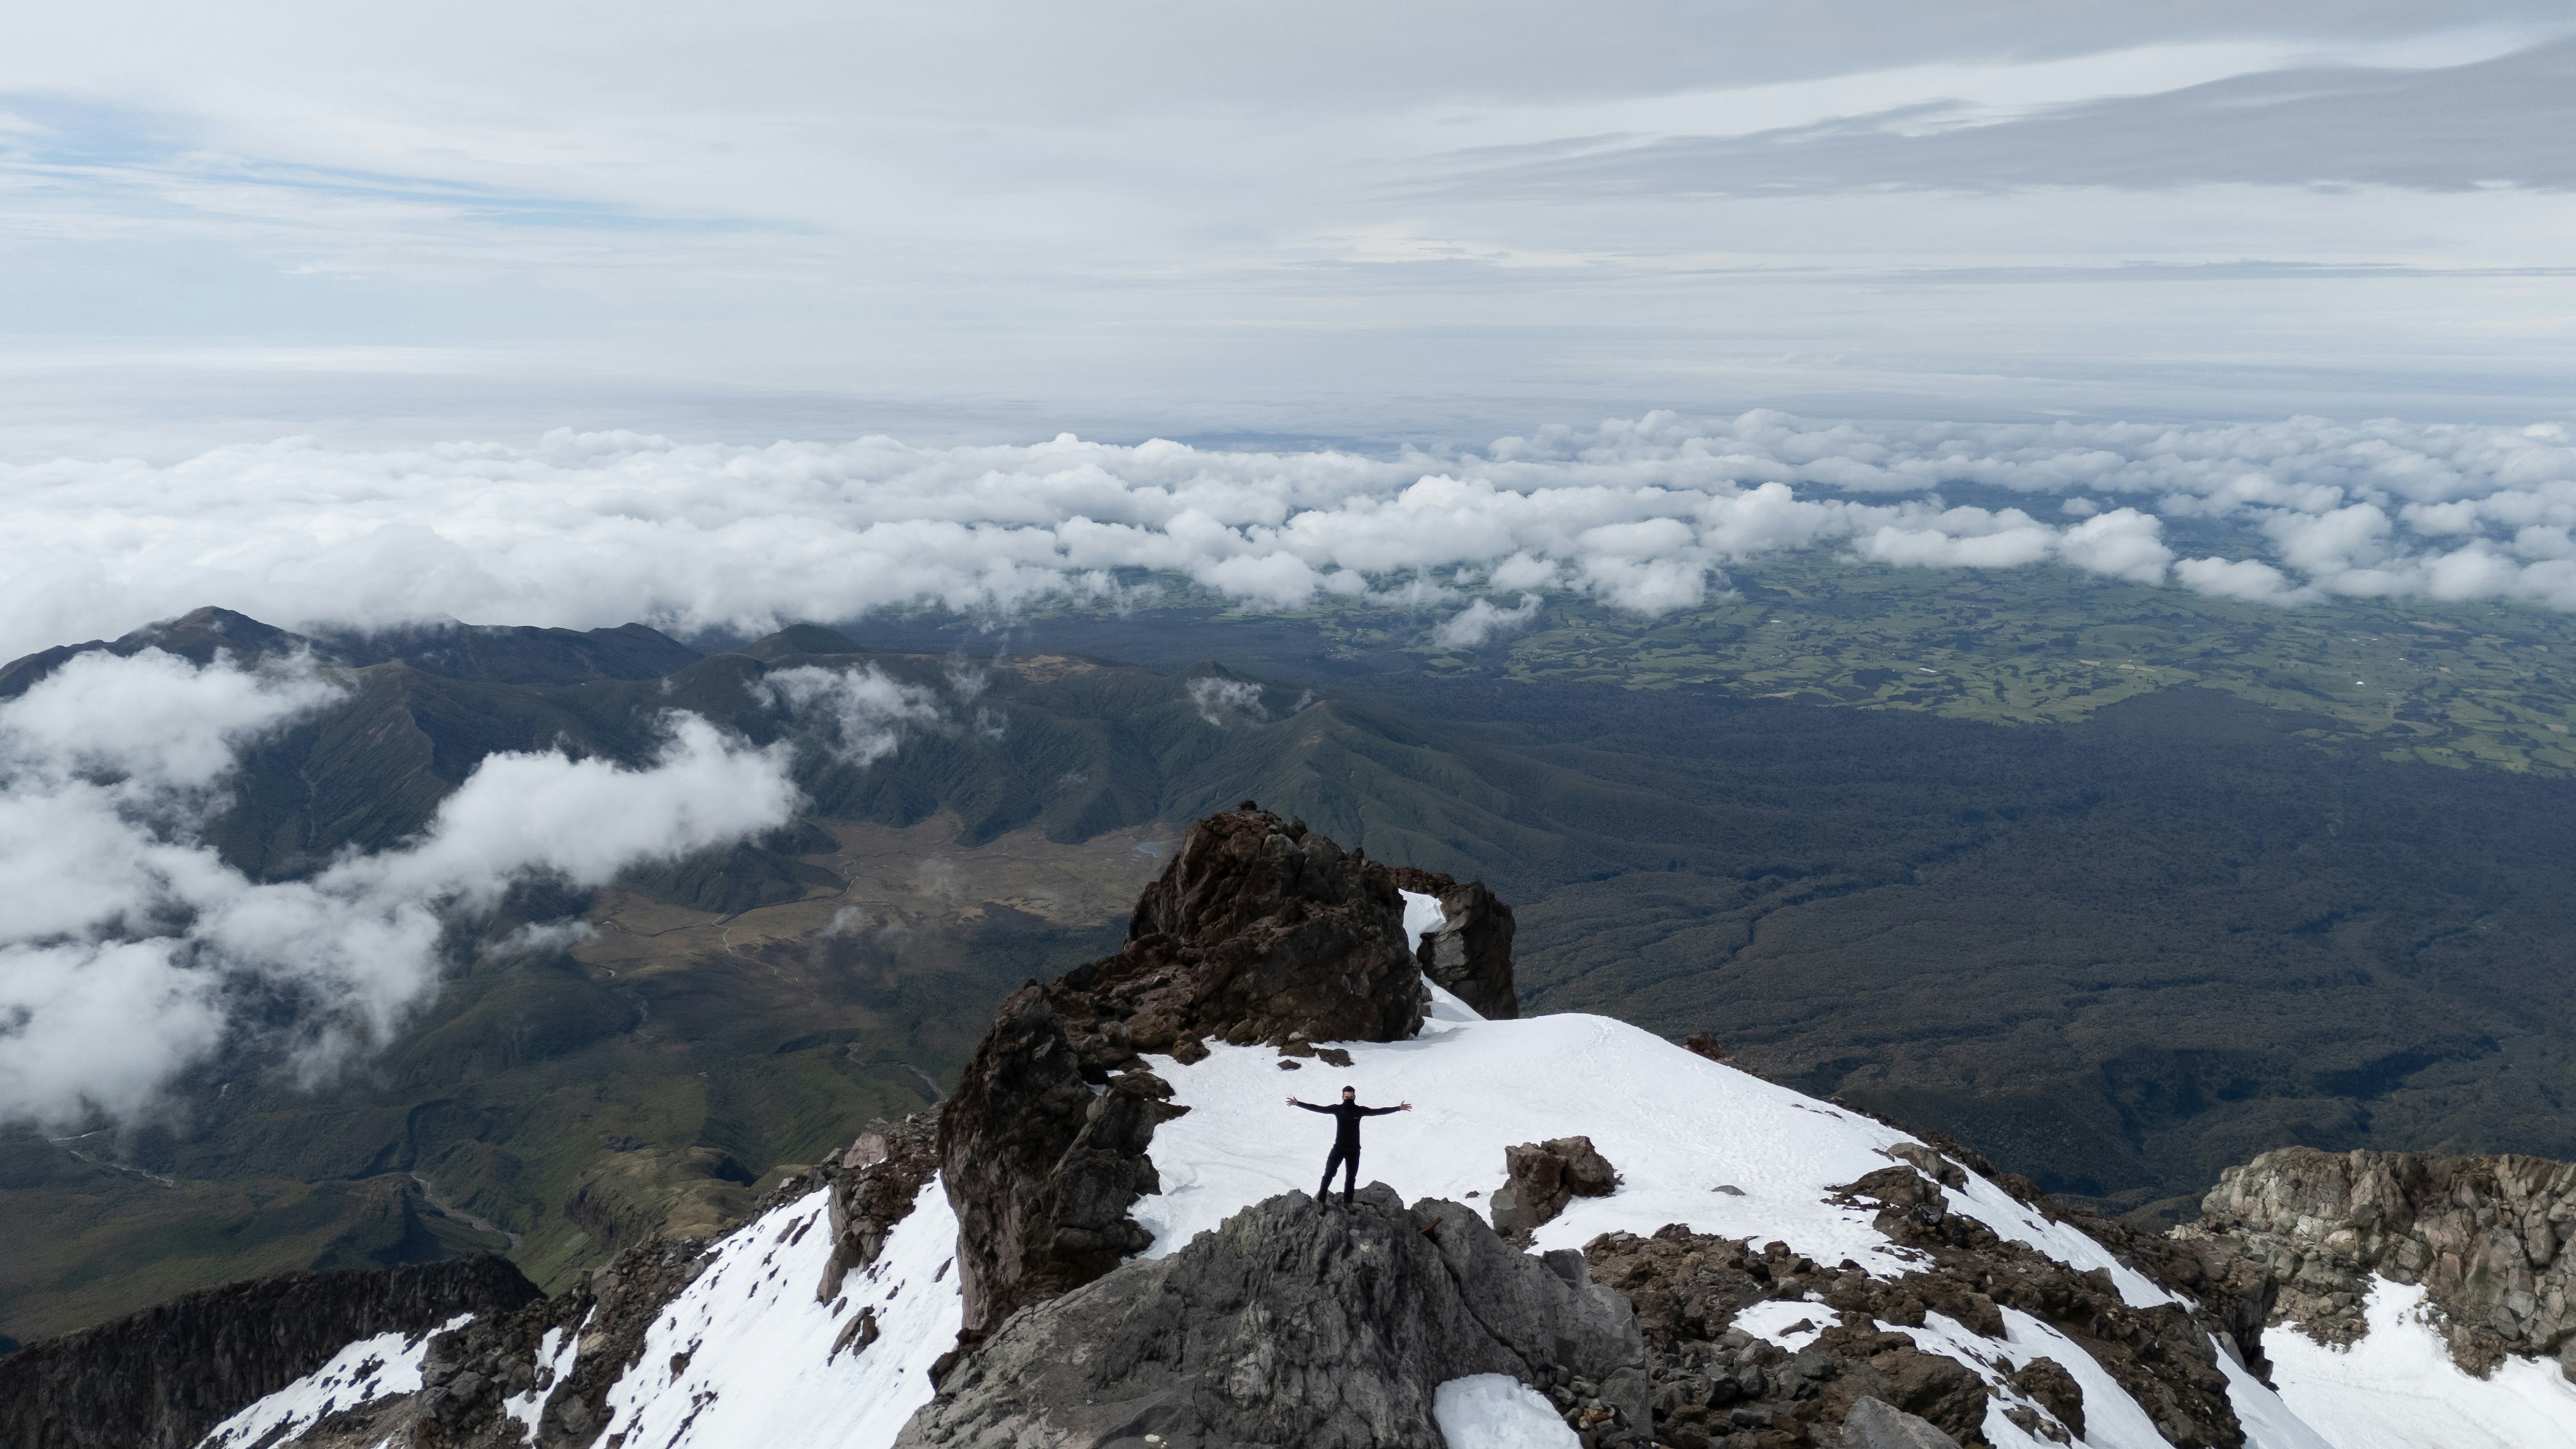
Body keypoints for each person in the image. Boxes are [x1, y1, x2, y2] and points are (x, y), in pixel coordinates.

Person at [1288, 1085, 1411, 1207]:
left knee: (1351, 1178)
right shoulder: (1337, 1109)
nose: (1349, 1099)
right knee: (1328, 1175)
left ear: (1355, 1097)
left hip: (1354, 1150)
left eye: (1351, 1097)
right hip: (1339, 1149)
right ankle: (1321, 1201)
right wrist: (1298, 1103)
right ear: (1342, 1097)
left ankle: (1348, 1203)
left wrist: (1398, 1108)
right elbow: (1319, 1108)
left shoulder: (1359, 1110)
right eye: (1347, 1097)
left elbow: (1378, 1111)